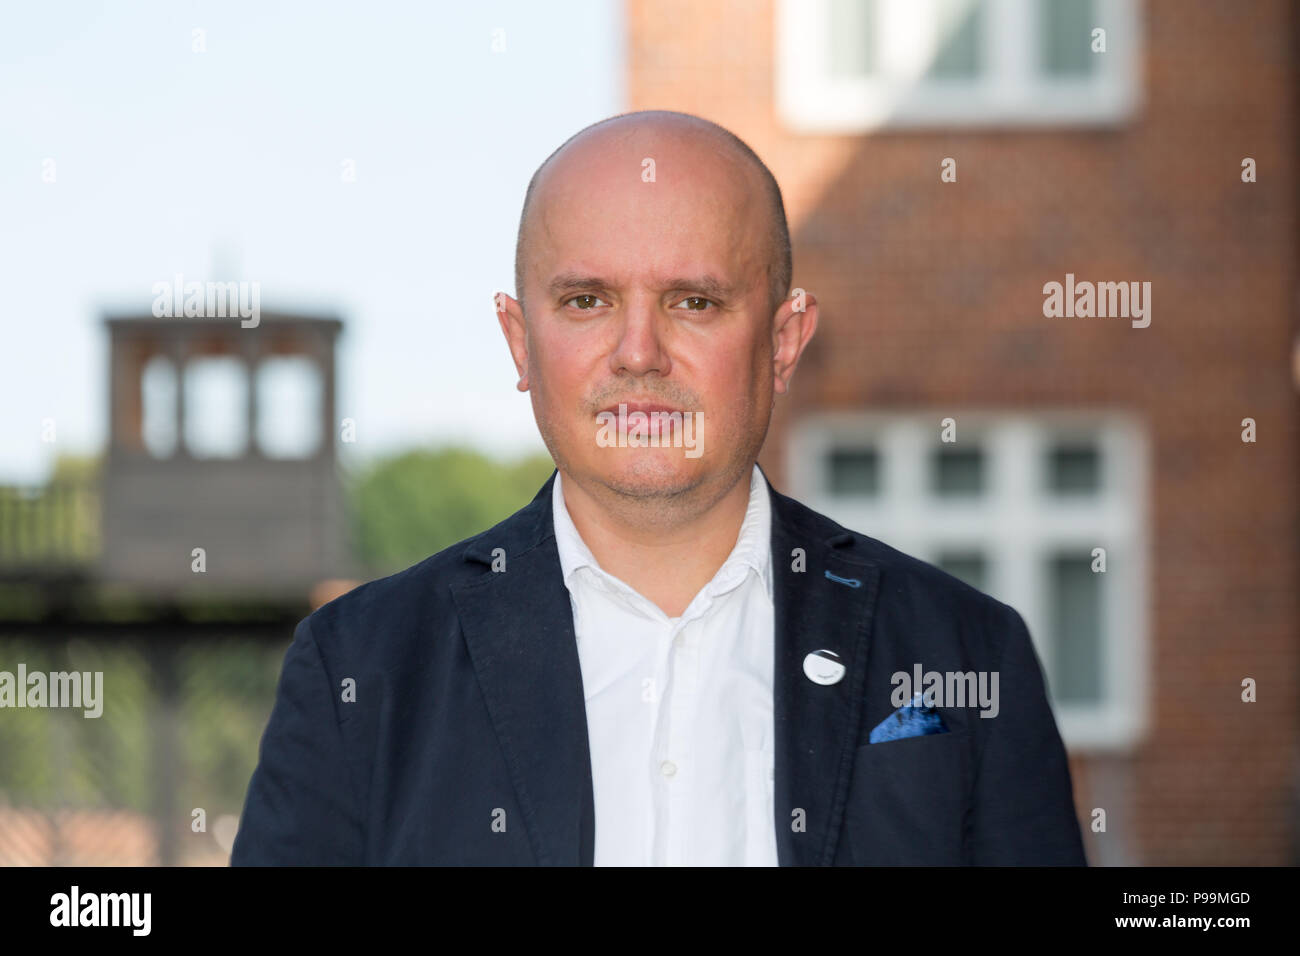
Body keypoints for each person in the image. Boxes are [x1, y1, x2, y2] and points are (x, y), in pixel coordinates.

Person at [231, 109, 1086, 866]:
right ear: (519, 339)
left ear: (785, 342)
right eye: (586, 301)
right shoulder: (363, 671)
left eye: (693, 302)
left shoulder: (964, 658)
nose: (638, 353)